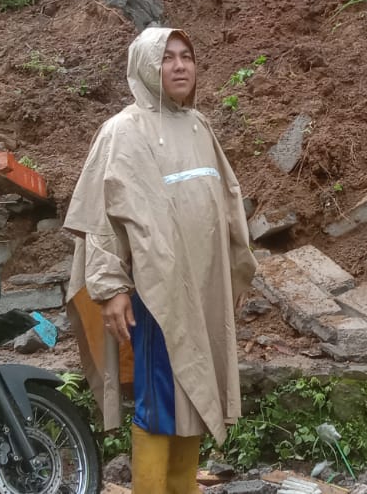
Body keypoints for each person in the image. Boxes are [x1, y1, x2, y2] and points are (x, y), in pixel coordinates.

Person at [63, 27, 259, 494]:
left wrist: (236, 270)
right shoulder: (122, 130)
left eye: (186, 56)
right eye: (166, 57)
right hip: (156, 297)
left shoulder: (199, 126)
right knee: (162, 400)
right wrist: (109, 288)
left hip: (205, 291)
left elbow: (228, 203)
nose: (179, 66)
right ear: (144, 66)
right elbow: (101, 218)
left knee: (194, 395)